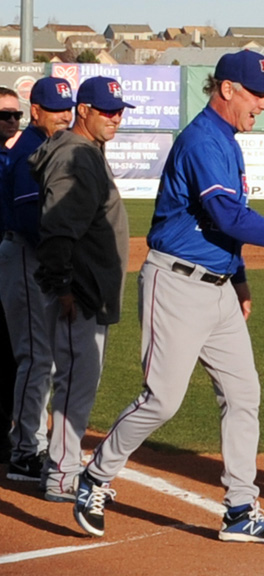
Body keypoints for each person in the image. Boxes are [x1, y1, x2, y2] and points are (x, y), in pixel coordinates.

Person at [72, 50, 264, 544]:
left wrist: (238, 279)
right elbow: (228, 216)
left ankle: (239, 509)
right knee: (163, 400)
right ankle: (96, 476)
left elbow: (226, 222)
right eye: (258, 94)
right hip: (175, 283)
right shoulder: (200, 140)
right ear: (227, 89)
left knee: (243, 394)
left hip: (217, 289)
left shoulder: (228, 141)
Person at [28, 76, 131, 502]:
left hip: (87, 287)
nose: (115, 117)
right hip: (80, 291)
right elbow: (58, 229)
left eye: (119, 110)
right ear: (82, 111)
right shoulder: (76, 155)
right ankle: (63, 474)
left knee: (77, 379)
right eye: (106, 110)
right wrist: (64, 287)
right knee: (75, 381)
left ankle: (64, 467)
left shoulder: (84, 151)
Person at [0, 78, 75, 484]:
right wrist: (62, 261)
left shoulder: (46, 148)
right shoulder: (31, 152)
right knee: (35, 356)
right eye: (56, 108)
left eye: (69, 107)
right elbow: (32, 220)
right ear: (36, 112)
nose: (65, 114)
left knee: (42, 356)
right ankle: (26, 451)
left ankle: (31, 444)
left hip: (32, 258)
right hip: (26, 256)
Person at [0, 87, 22, 464]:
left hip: (9, 259)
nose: (13, 121)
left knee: (9, 352)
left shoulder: (16, 157)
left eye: (17, 115)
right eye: (5, 114)